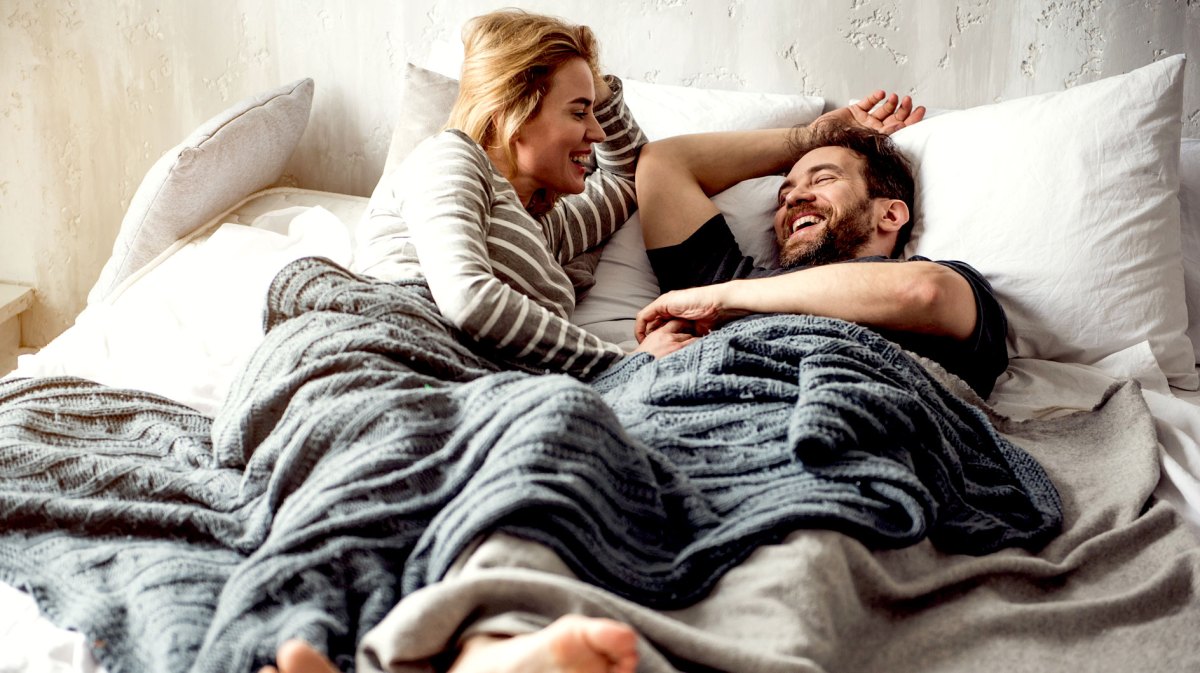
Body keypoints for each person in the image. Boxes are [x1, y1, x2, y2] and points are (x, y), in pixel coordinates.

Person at [351, 8, 694, 382]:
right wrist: (624, 360)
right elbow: (468, 299)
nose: (598, 134)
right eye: (580, 113)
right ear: (514, 113)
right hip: (399, 348)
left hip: (485, 380)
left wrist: (588, 74)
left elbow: (631, 177)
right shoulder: (450, 157)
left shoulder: (546, 226)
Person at [634, 93, 1009, 398]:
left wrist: (724, 298)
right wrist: (813, 137)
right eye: (783, 197)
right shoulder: (729, 280)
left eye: (823, 179)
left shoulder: (724, 293)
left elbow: (925, 292)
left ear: (891, 215)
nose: (794, 198)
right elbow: (664, 163)